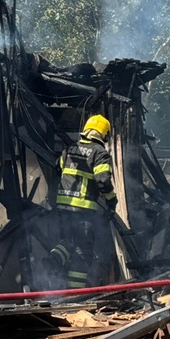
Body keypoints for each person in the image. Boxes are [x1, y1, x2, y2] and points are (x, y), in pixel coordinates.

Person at [52, 114, 118, 287]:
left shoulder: (70, 149)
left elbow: (57, 168)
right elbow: (103, 179)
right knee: (83, 252)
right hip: (83, 210)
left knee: (67, 242)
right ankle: (76, 294)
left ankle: (53, 259)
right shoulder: (100, 153)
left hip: (63, 206)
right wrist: (112, 200)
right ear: (103, 134)